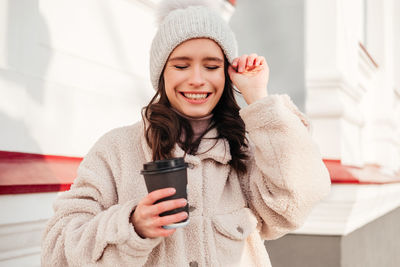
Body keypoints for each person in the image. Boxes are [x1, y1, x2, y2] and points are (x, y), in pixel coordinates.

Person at [41, 0, 331, 266]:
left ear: (226, 75)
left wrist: (259, 98)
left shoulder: (246, 149)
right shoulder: (116, 150)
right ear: (161, 74)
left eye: (211, 66)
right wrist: (132, 226)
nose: (196, 80)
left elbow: (299, 199)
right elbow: (57, 250)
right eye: (181, 65)